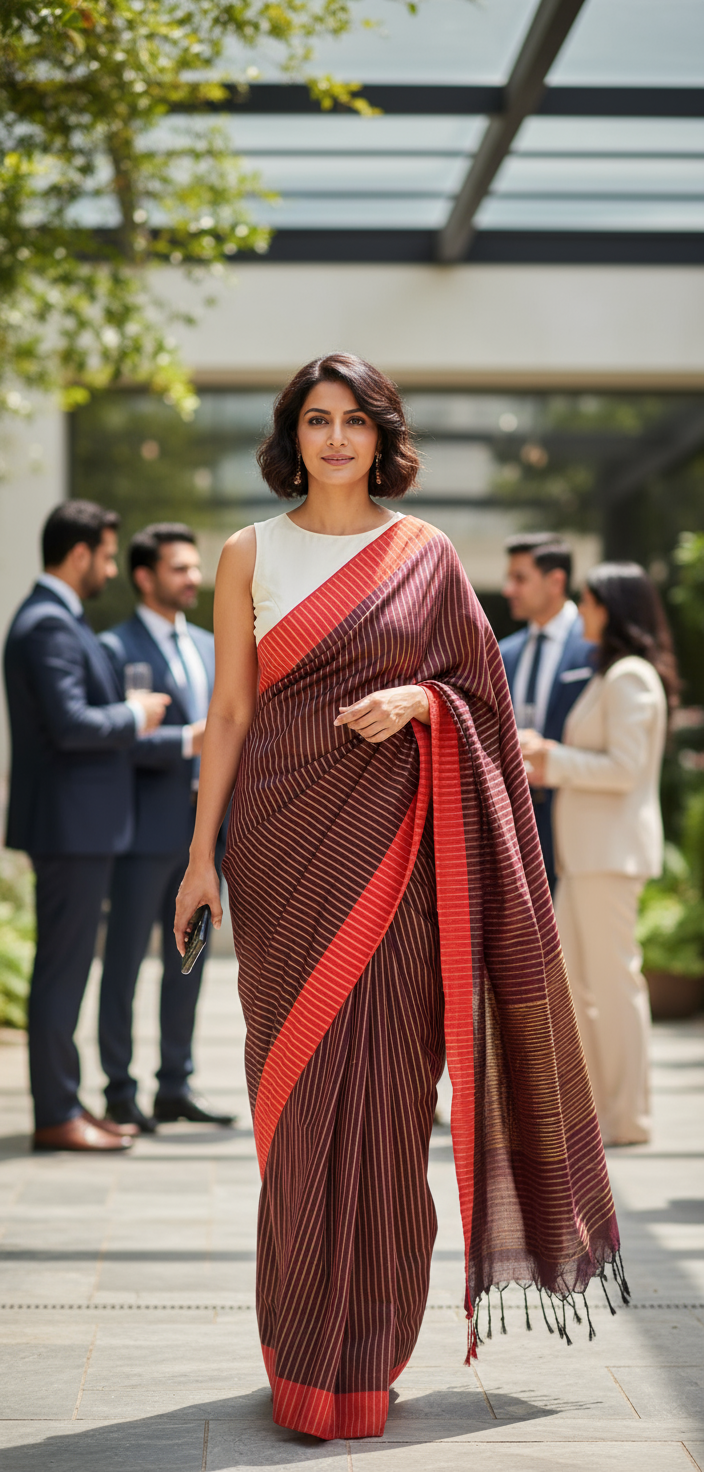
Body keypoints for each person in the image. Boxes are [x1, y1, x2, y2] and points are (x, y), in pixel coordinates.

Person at [173, 354, 623, 1442]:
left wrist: (419, 697)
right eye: (316, 420)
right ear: (294, 434)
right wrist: (197, 858)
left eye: (354, 421)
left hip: (396, 859)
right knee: (294, 1109)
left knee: (378, 1100)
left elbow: (480, 691)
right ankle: (297, 1349)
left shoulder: (421, 554)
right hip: (280, 854)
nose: (335, 439)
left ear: (382, 435)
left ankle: (362, 1356)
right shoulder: (246, 552)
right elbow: (228, 712)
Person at [3, 500, 169, 1152]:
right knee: (63, 971)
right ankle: (57, 1113)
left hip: (80, 826)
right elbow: (72, 725)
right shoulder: (48, 625)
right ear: (79, 555)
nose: (109, 568)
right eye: (105, 555)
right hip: (70, 827)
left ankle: (67, 1103)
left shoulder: (57, 621)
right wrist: (133, 715)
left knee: (68, 969)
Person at [520, 563, 677, 1148]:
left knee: (613, 988)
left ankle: (627, 1117)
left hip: (610, 856)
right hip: (587, 857)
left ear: (610, 609)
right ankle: (596, 1114)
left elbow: (625, 768)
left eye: (587, 604)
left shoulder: (630, 677)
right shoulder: (608, 674)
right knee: (583, 989)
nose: (580, 615)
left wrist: (551, 758)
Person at [98, 524, 233, 1133]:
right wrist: (187, 741)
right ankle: (118, 1091)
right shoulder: (111, 648)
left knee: (191, 959)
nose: (194, 578)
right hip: (143, 830)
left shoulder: (213, 645)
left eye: (194, 567)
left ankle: (174, 1085)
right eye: (179, 568)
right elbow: (112, 742)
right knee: (124, 961)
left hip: (205, 834)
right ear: (144, 576)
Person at [499, 535, 595, 891]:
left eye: (520, 578)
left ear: (556, 581)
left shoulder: (596, 649)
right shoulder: (503, 652)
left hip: (579, 823)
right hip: (514, 826)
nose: (509, 589)